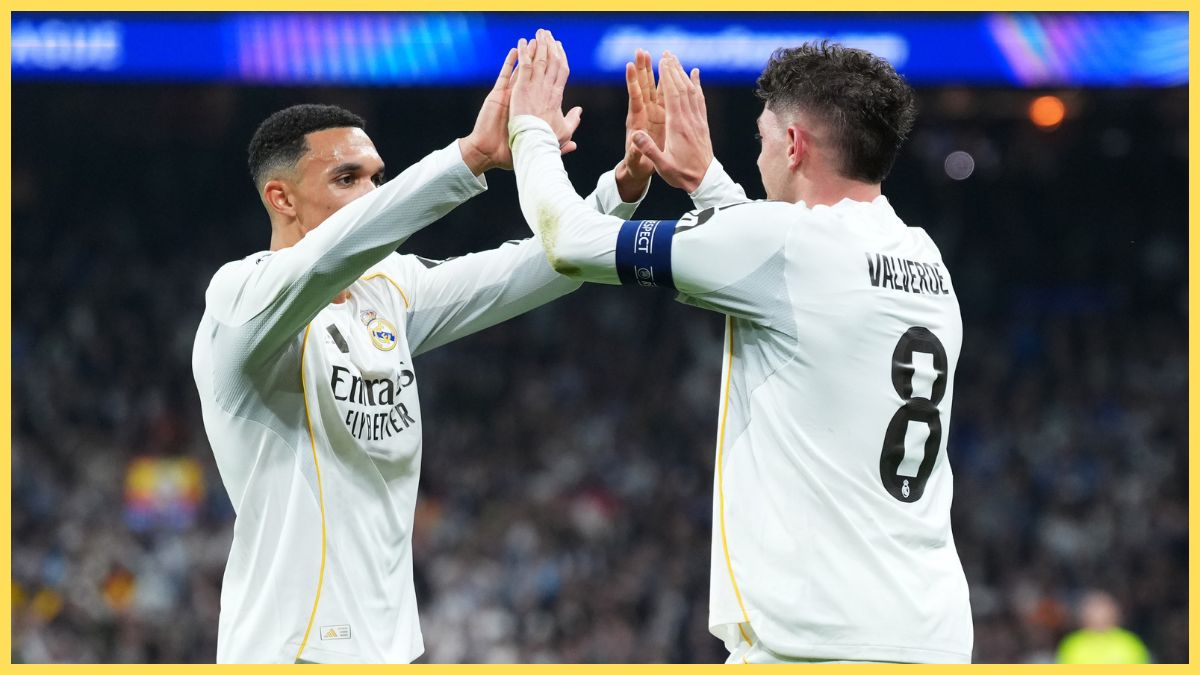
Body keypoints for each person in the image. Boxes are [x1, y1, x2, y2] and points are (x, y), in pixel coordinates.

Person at [508, 30, 972, 663]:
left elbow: (567, 240)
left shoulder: (785, 244)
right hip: (929, 633)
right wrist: (707, 181)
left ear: (794, 144)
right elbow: (782, 273)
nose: (758, 160)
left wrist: (530, 130)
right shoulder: (923, 256)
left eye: (760, 140)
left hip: (819, 644)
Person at [192, 45, 655, 664]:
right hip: (289, 647)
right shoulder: (239, 299)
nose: (371, 192)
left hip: (395, 648)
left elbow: (525, 271)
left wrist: (617, 194)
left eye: (375, 177)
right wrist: (470, 158)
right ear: (282, 199)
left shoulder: (390, 291)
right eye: (346, 178)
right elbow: (335, 252)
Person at [1056, 591, 1150, 664]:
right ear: (1084, 617)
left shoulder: (1130, 643)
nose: (1099, 617)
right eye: (1094, 612)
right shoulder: (1072, 645)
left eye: (1103, 612)